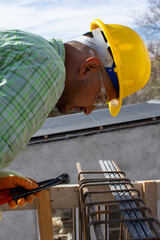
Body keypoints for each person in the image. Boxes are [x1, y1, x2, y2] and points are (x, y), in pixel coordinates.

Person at [0, 19, 151, 210]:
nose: (89, 110)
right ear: (88, 68)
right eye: (99, 98)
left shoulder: (31, 50)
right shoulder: (49, 69)